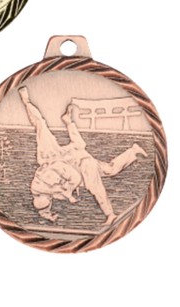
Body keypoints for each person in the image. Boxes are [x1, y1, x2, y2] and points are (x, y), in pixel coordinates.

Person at [18, 86, 147, 225]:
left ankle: (110, 214)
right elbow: (43, 207)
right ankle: (133, 150)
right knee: (109, 169)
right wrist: (50, 212)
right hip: (64, 159)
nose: (50, 199)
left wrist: (69, 191)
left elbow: (74, 177)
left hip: (78, 163)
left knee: (95, 186)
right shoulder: (40, 191)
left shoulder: (47, 179)